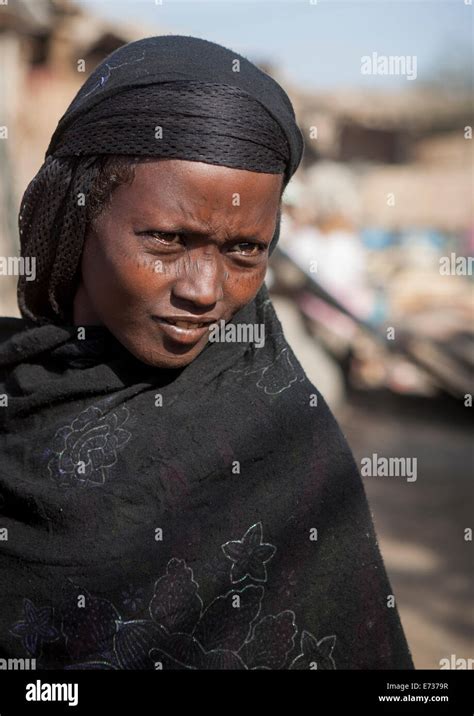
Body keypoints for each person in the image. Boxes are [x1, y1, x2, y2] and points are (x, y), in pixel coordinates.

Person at [0, 35, 413, 670]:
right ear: (73, 215)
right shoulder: (16, 392)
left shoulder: (284, 441)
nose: (204, 292)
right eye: (166, 239)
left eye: (245, 251)